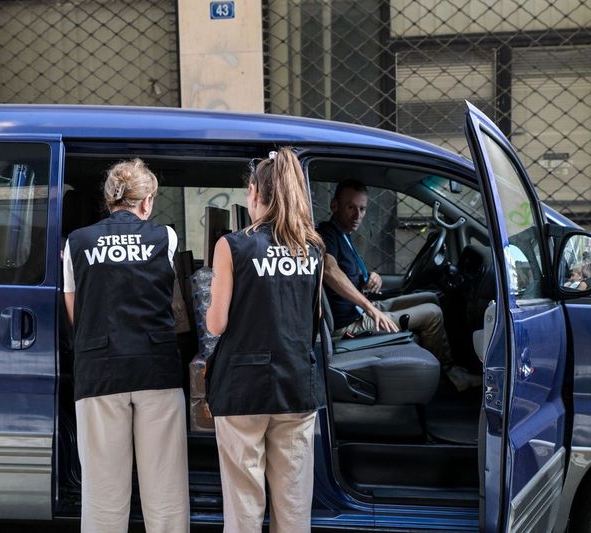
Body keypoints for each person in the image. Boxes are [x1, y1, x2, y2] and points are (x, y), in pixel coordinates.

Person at [63, 158, 189, 533]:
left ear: (108, 198)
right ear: (147, 201)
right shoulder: (166, 237)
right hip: (156, 370)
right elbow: (172, 302)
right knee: (165, 489)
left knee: (103, 492)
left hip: (99, 371)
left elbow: (76, 314)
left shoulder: (77, 242)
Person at [206, 148, 325, 533]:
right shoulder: (312, 248)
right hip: (295, 385)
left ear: (255, 191)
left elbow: (217, 324)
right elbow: (312, 319)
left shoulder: (233, 245)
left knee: (243, 507)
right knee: (292, 505)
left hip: (243, 388)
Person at [317, 179, 481, 391]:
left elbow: (346, 275)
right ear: (334, 206)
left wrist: (368, 278)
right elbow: (329, 270)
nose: (358, 215)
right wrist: (370, 308)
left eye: (363, 208)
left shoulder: (344, 236)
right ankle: (451, 376)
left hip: (360, 310)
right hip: (348, 325)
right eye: (351, 207)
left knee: (430, 298)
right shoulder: (327, 234)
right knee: (432, 313)